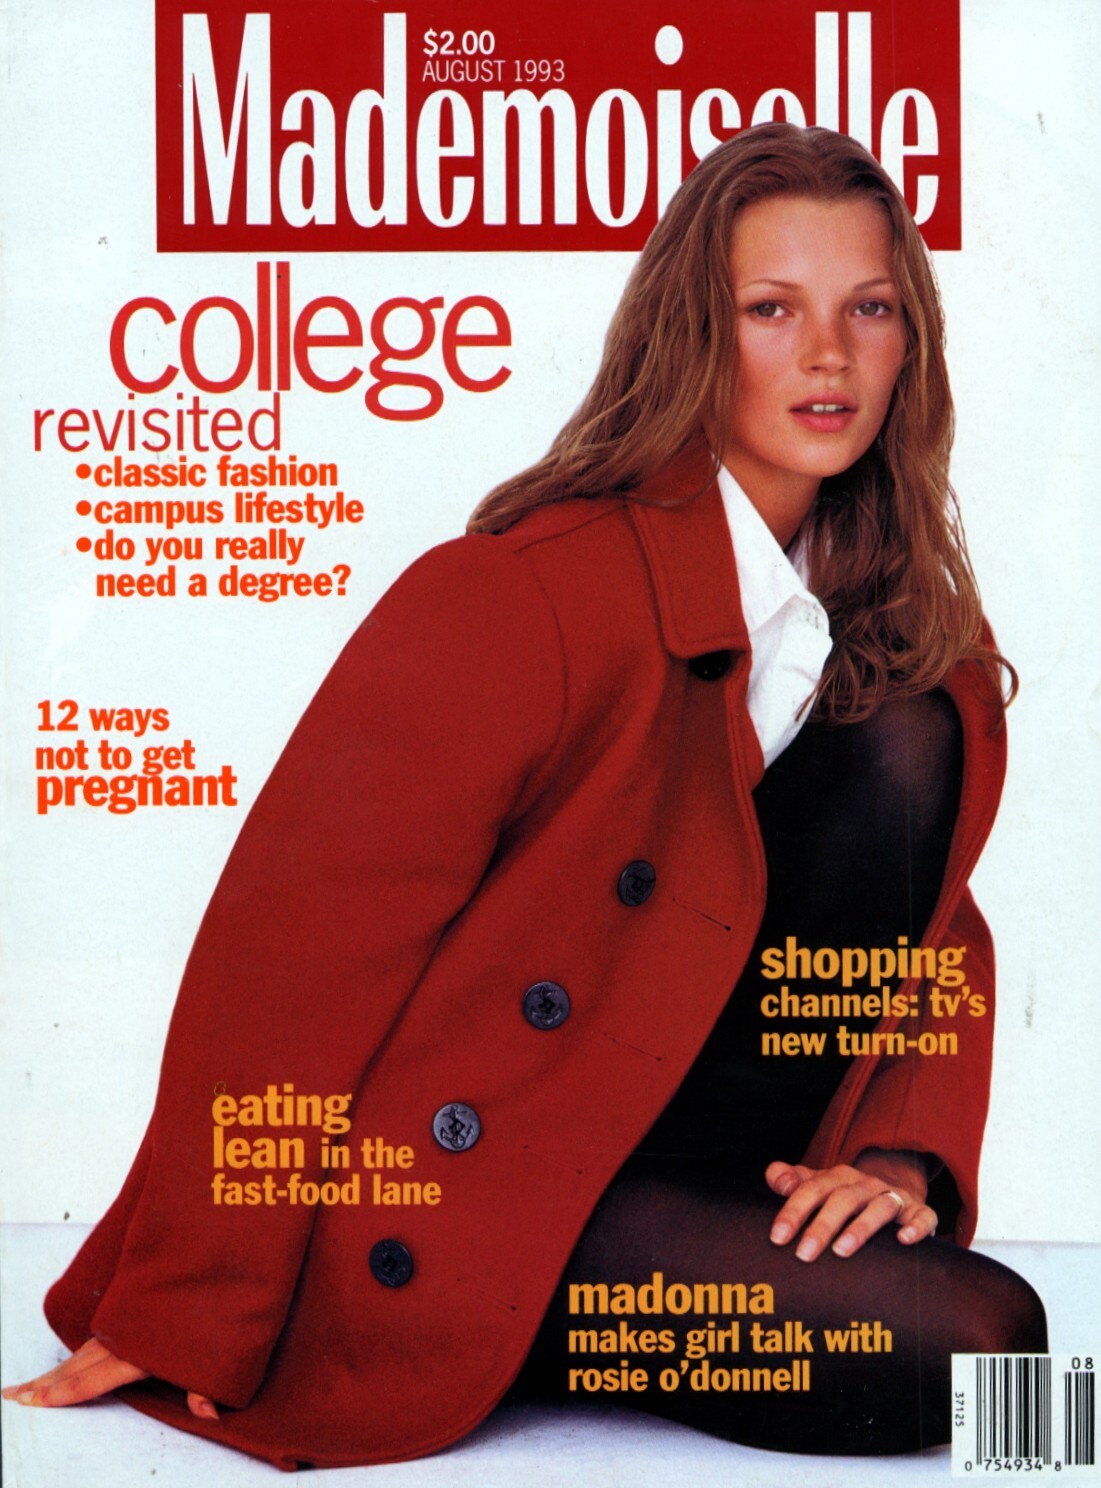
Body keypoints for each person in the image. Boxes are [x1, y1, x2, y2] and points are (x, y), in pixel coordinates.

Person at [4, 123, 1046, 1467]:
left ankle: (658, 1271)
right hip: (475, 1180)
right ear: (694, 332)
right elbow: (293, 956)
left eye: (870, 308)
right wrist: (186, 1306)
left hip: (707, 1146)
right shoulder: (519, 595)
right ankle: (505, 1317)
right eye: (771, 309)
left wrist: (897, 1161)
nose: (830, 356)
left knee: (1001, 1348)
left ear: (914, 341)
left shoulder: (907, 628)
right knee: (981, 1348)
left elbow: (937, 928)